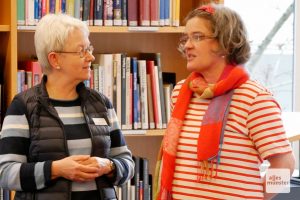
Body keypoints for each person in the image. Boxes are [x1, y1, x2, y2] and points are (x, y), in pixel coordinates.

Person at [154, 4, 295, 200]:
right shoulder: (181, 92)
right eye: (186, 38)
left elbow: (285, 166)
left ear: (225, 44)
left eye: (197, 37)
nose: (187, 45)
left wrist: (259, 197)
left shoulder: (254, 98)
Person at [0, 14, 134, 200]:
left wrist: (109, 166)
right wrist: (55, 169)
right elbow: (5, 173)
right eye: (82, 51)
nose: (91, 56)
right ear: (55, 59)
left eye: (89, 48)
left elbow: (127, 163)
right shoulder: (23, 106)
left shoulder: (101, 104)